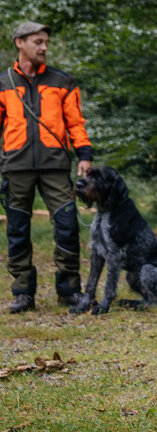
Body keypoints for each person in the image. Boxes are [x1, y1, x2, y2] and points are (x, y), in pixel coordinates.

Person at [0, 21, 93, 314]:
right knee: (17, 230)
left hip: (55, 165)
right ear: (20, 43)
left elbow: (75, 123)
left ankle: (69, 291)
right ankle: (23, 293)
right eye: (38, 42)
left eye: (45, 42)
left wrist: (85, 155)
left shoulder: (62, 81)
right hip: (15, 166)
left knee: (67, 226)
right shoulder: (3, 83)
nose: (44, 47)